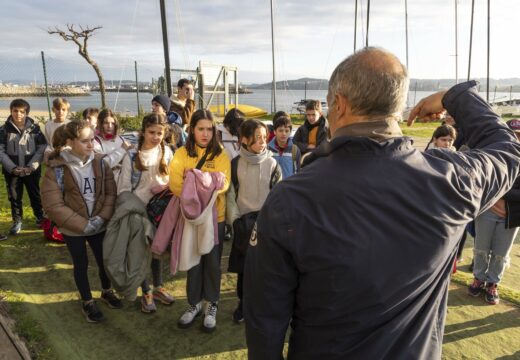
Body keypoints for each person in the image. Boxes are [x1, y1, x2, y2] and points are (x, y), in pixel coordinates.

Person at [243, 47, 520, 359]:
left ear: (339, 104)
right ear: (397, 106)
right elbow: (506, 149)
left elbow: (265, 322)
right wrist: (454, 96)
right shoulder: (451, 181)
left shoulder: (291, 199)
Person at [41, 121, 122, 323]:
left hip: (98, 222)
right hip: (73, 228)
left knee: (104, 261)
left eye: (92, 139)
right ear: (70, 142)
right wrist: (83, 224)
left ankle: (106, 291)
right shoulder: (56, 169)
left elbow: (110, 193)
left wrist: (102, 217)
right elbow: (53, 205)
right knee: (81, 264)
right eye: (84, 141)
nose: (91, 144)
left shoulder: (101, 163)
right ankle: (87, 301)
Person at [169, 109, 230, 332]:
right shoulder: (181, 155)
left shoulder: (221, 154)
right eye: (200, 129)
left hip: (216, 217)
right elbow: (175, 185)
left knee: (212, 263)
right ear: (192, 130)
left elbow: (224, 185)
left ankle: (211, 303)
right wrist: (207, 183)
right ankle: (194, 304)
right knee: (194, 262)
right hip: (191, 219)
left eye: (209, 129)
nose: (205, 134)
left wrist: (193, 180)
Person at [117, 113, 175, 313]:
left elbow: (173, 179)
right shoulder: (132, 156)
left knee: (157, 250)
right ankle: (146, 291)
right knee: (139, 253)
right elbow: (123, 188)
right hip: (138, 210)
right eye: (152, 132)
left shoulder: (167, 151)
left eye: (160, 133)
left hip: (160, 210)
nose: (156, 136)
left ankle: (158, 286)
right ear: (143, 132)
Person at [226, 119, 281, 324]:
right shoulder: (235, 163)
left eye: (264, 137)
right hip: (242, 224)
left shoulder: (272, 163)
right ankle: (243, 304)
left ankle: (263, 305)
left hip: (265, 225)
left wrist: (272, 222)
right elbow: (230, 195)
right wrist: (235, 221)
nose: (263, 142)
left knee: (266, 269)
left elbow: (278, 196)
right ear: (244, 140)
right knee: (244, 269)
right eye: (257, 138)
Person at [467, 118, 520, 305]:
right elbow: (481, 181)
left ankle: (493, 283)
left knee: (501, 253)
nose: (516, 139)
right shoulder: (493, 154)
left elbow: (495, 186)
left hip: (511, 216)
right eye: (513, 135)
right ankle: (478, 278)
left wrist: (500, 194)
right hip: (486, 211)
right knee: (480, 248)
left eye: (519, 135)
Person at [0, 99, 46, 235]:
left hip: (31, 171)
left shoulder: (35, 129)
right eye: (15, 111)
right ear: (11, 111)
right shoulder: (3, 130)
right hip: (12, 172)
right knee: (14, 196)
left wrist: (32, 166)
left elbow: (42, 148)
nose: (18, 114)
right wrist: (12, 167)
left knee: (35, 194)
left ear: (27, 113)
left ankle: (39, 217)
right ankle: (17, 220)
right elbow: (0, 151)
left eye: (22, 111)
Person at [93, 109, 132, 184]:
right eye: (106, 123)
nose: (110, 126)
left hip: (124, 179)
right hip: (107, 182)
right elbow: (103, 164)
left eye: (112, 123)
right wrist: (122, 150)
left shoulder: (119, 138)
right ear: (100, 123)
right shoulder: (95, 141)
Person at [44, 97, 71, 162]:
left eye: (63, 109)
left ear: (67, 111)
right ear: (53, 110)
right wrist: (48, 153)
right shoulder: (48, 125)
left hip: (68, 154)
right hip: (52, 154)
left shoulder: (70, 124)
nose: (60, 112)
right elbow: (48, 142)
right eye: (58, 109)